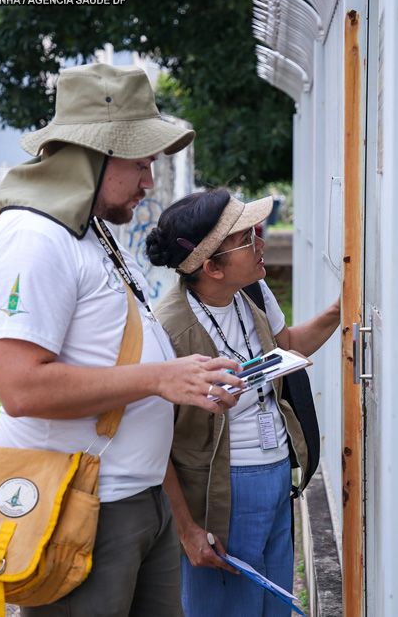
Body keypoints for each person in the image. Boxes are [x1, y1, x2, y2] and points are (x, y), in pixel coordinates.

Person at [0, 63, 243, 617]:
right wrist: (160, 378)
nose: (149, 180)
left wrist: (184, 381)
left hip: (139, 498)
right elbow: (20, 388)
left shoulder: (91, 231)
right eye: (141, 162)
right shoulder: (35, 237)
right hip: (82, 506)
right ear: (94, 154)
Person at [144, 189, 340, 616]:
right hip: (222, 492)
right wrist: (187, 530)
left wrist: (340, 311)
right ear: (212, 267)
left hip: (275, 476)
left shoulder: (252, 292)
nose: (261, 242)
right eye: (247, 238)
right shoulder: (167, 331)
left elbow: (284, 345)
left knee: (274, 605)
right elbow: (153, 443)